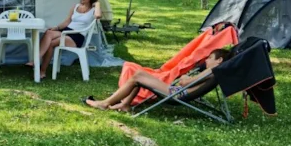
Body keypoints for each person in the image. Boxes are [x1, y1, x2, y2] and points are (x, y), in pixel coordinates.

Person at [84, 48, 232, 112]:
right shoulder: (216, 71)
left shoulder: (213, 70)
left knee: (138, 76)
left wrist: (186, 77)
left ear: (219, 60)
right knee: (140, 76)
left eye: (210, 58)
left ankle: (104, 104)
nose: (206, 60)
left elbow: (186, 82)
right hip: (178, 91)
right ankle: (125, 105)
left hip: (176, 93)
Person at [31, 0, 102, 79]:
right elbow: (67, 21)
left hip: (77, 36)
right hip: (67, 31)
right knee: (48, 32)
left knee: (51, 43)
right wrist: (56, 28)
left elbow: (98, 16)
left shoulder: (94, 10)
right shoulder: (75, 7)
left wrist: (97, 4)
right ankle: (36, 60)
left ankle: (42, 70)